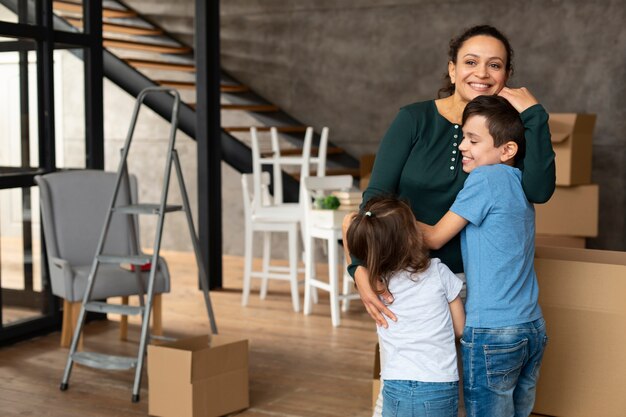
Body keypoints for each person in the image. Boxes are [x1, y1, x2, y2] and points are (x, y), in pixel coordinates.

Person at [341, 24, 555, 417]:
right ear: (452, 69)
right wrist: (360, 268)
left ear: (507, 76)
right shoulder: (414, 119)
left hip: (485, 291)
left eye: (496, 65)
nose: (482, 73)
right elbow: (374, 201)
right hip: (416, 283)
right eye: (471, 62)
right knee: (416, 391)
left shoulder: (507, 133)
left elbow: (539, 190)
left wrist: (535, 117)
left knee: (472, 400)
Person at [418, 94, 547, 416]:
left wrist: (388, 217)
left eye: (473, 140)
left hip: (493, 330)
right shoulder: (519, 182)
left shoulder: (485, 179)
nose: (462, 145)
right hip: (531, 325)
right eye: (463, 136)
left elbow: (434, 238)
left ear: (507, 150)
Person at [346, 196, 465, 417]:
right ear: (411, 238)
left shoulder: (375, 286)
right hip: (438, 386)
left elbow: (354, 247)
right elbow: (460, 329)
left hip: (394, 385)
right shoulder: (440, 273)